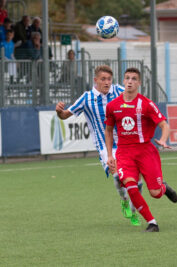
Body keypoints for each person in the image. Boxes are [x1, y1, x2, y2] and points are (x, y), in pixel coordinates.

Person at [55, 65, 142, 226]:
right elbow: (65, 115)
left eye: (109, 79)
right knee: (118, 177)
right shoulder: (86, 98)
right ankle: (124, 200)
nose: (107, 82)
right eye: (103, 79)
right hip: (105, 146)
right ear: (95, 80)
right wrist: (59, 111)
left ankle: (134, 210)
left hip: (127, 143)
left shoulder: (119, 91)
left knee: (137, 182)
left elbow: (138, 100)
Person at [105, 67, 177, 232]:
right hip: (124, 152)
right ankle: (152, 222)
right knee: (130, 185)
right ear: (123, 81)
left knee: (155, 192)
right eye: (127, 78)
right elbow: (108, 131)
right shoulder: (112, 106)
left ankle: (164, 188)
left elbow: (164, 125)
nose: (130, 81)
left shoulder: (146, 104)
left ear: (139, 83)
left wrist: (163, 139)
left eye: (133, 79)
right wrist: (110, 155)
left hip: (146, 151)